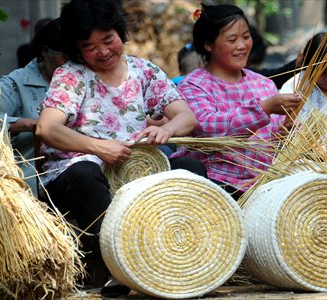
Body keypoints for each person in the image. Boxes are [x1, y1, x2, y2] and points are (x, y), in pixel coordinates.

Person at [35, 0, 205, 295]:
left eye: (108, 39)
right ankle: (115, 267)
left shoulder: (144, 71)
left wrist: (165, 129)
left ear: (120, 33)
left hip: (136, 170)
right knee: (87, 173)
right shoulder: (71, 76)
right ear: (76, 48)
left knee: (191, 169)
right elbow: (47, 128)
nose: (102, 51)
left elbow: (186, 116)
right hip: (77, 172)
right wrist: (99, 147)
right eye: (89, 46)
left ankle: (186, 257)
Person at [172, 4, 301, 198]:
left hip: (264, 184)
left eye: (246, 37)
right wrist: (263, 108)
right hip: (215, 184)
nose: (242, 45)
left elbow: (274, 141)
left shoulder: (263, 84)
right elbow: (207, 127)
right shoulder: (193, 85)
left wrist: (288, 132)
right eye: (232, 39)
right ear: (208, 44)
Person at [0, 18, 67, 197]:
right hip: (30, 186)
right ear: (45, 52)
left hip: (79, 176)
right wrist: (28, 124)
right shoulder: (15, 83)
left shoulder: (85, 80)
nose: (72, 65)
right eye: (65, 57)